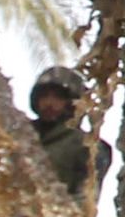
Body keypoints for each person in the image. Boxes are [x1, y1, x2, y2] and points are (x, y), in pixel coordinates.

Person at [30, 68, 110, 207]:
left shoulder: (87, 146)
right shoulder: (21, 133)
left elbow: (85, 200)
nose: (49, 103)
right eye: (44, 96)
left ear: (74, 102)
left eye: (58, 97)